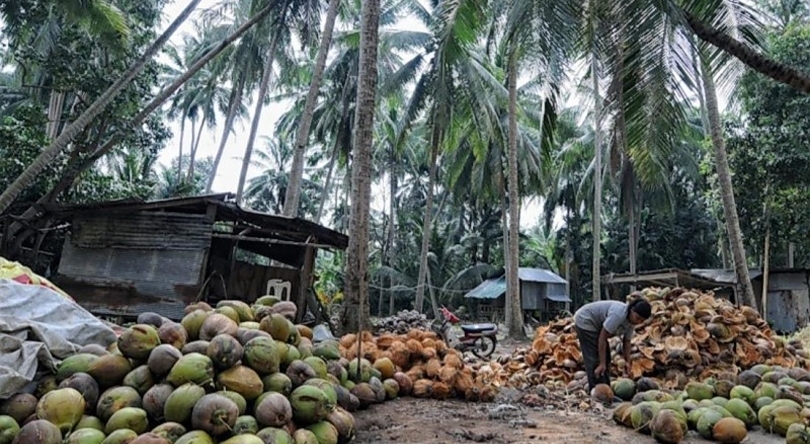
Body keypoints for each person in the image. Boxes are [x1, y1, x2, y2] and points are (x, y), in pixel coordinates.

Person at [573, 298, 652, 392]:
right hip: (585, 320)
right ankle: (596, 392)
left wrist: (627, 361)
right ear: (632, 310)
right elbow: (602, 337)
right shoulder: (618, 314)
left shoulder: (631, 321)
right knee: (595, 359)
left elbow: (627, 341)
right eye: (638, 318)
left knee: (606, 359)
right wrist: (602, 363)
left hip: (596, 326)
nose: (638, 322)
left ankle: (606, 390)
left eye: (642, 320)